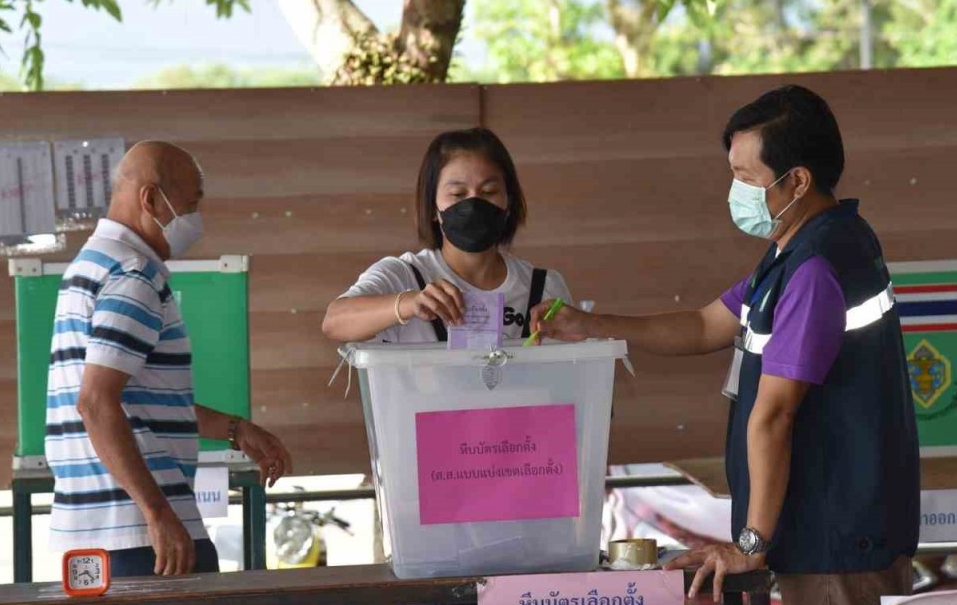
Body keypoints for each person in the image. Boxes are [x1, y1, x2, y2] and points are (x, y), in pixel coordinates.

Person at [531, 86, 920, 605]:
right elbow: (702, 324)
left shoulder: (816, 269)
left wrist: (750, 545)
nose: (735, 190)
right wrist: (589, 325)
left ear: (798, 180)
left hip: (834, 547)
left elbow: (773, 417)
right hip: (823, 537)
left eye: (746, 177)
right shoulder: (798, 251)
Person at [46, 141, 293, 577]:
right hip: (141, 536)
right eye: (192, 203)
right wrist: (157, 512)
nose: (197, 220)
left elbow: (135, 402)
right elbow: (96, 403)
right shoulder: (132, 275)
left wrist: (234, 429)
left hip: (96, 533)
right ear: (151, 199)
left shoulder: (87, 268)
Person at [322, 127, 572, 345]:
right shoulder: (403, 275)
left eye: (489, 191)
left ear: (509, 202)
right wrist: (409, 303)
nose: (474, 204)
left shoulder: (543, 287)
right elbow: (334, 322)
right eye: (458, 194)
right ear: (432, 207)